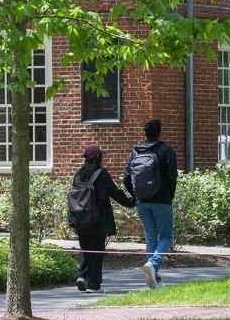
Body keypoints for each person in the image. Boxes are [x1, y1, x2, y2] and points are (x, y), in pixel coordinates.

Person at [68, 144, 135, 293]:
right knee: (97, 251)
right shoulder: (102, 174)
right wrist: (131, 202)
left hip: (80, 219)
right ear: (98, 158)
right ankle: (93, 284)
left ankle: (81, 276)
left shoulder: (78, 174)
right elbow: (114, 192)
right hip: (98, 220)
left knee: (85, 249)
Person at [123, 118, 179, 289]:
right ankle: (153, 264)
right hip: (162, 200)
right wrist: (169, 195)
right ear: (159, 132)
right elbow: (172, 177)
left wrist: (136, 195)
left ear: (144, 132)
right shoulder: (167, 151)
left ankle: (154, 280)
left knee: (150, 238)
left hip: (141, 201)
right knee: (166, 236)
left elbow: (126, 179)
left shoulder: (134, 152)